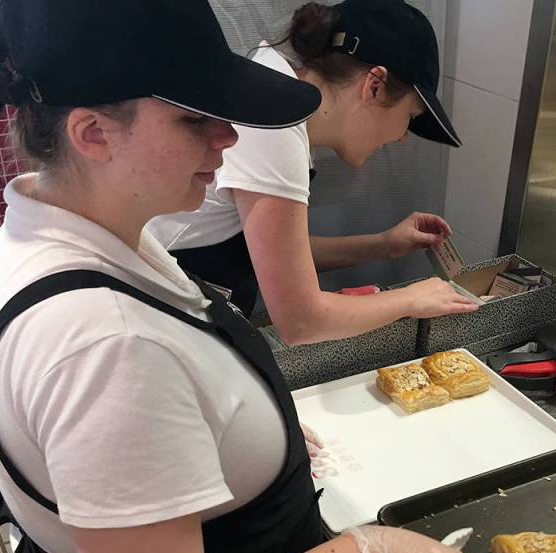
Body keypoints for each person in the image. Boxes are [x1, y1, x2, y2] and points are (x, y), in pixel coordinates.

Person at [0, 2, 493, 553]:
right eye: (196, 118)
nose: (228, 136)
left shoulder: (74, 230)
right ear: (93, 133)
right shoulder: (102, 343)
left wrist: (236, 438)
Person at [147, 0, 477, 343]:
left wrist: (384, 245)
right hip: (165, 328)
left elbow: (282, 255)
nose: (402, 138)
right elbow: (301, 321)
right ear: (374, 86)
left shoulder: (280, 97)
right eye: (409, 117)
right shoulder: (275, 119)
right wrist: (411, 299)